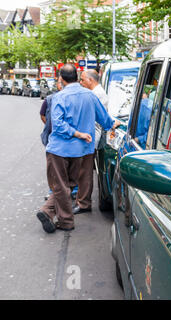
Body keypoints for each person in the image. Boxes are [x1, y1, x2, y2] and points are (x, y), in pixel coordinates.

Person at [36, 64, 118, 233]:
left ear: (61, 78)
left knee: (60, 185)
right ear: (76, 77)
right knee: (69, 184)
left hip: (59, 149)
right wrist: (114, 123)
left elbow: (57, 125)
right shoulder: (90, 96)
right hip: (81, 150)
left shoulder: (59, 97)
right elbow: (105, 120)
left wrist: (77, 133)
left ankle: (63, 220)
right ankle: (49, 211)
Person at [74, 69, 117, 214]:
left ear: (90, 80)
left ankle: (83, 203)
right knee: (83, 171)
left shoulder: (96, 94)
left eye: (83, 80)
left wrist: (111, 123)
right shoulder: (95, 93)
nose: (81, 83)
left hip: (90, 137)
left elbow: (101, 118)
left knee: (84, 172)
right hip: (89, 136)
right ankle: (82, 200)